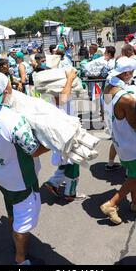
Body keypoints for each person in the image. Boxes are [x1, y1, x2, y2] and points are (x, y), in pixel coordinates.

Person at [0, 73, 50, 265]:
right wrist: (54, 144)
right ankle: (21, 260)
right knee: (23, 223)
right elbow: (33, 151)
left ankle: (16, 238)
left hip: (1, 174)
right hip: (21, 179)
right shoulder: (13, 120)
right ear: (7, 91)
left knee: (12, 210)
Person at [100, 58, 136, 225]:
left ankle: (135, 202)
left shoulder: (107, 89)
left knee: (131, 173)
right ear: (126, 73)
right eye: (132, 73)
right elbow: (134, 123)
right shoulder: (127, 99)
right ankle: (112, 203)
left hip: (118, 140)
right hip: (131, 143)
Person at [44, 68, 87, 202]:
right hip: (66, 134)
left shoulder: (54, 93)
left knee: (66, 161)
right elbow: (63, 100)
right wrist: (70, 79)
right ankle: (70, 193)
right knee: (74, 163)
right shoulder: (58, 95)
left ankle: (53, 183)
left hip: (65, 132)